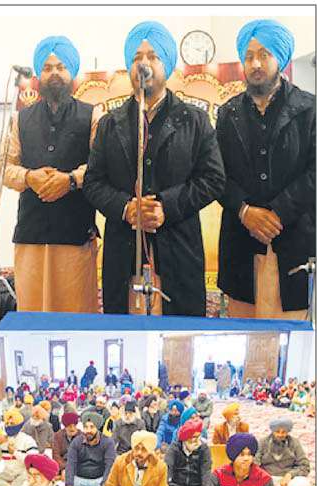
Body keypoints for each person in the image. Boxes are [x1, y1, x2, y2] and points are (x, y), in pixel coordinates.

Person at [83, 20, 225, 315]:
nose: (144, 64)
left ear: (167, 65)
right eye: (137, 58)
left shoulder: (195, 120)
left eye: (153, 56)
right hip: (123, 252)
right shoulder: (110, 124)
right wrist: (125, 208)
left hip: (179, 248)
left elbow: (213, 179)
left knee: (178, 339)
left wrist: (165, 207)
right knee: (124, 337)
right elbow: (93, 182)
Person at [217, 19, 315, 319]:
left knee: (291, 332)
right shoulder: (227, 113)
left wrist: (277, 212)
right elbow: (215, 174)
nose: (255, 64)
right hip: (241, 241)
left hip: (294, 239)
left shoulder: (310, 109)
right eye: (248, 57)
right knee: (242, 333)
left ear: (280, 59)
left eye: (264, 54)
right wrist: (245, 211)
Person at [0, 35, 102, 314]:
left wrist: (70, 181)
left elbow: (101, 166)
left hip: (75, 236)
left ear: (72, 73)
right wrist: (29, 177)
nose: (54, 73)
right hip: (31, 235)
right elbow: (4, 167)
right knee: (33, 318)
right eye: (47, 68)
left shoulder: (92, 116)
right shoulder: (20, 118)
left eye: (61, 67)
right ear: (38, 75)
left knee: (76, 319)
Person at [65, 412, 115, 486]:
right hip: (79, 480)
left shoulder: (108, 442)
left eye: (92, 427)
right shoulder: (77, 442)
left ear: (98, 428)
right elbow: (70, 464)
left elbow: (110, 466)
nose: (88, 430)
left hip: (99, 481)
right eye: (86, 427)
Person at [255, 418, 310, 486]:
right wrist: (264, 477)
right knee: (251, 481)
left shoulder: (294, 443)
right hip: (267, 477)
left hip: (287, 480)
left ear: (288, 431)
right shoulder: (263, 442)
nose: (280, 435)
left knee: (305, 483)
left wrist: (289, 475)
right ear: (272, 431)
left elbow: (304, 465)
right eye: (277, 432)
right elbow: (255, 463)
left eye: (283, 432)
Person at [165, 417, 211, 486]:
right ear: (185, 438)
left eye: (198, 437)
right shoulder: (174, 448)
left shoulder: (204, 449)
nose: (197, 441)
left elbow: (206, 474)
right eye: (194, 437)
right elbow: (167, 470)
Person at [0, 408, 38, 486]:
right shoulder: (3, 440)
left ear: (19, 425)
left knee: (30, 479)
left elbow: (33, 462)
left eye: (12, 423)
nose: (9, 426)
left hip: (22, 474)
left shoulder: (27, 439)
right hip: (7, 474)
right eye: (7, 423)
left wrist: (15, 453)